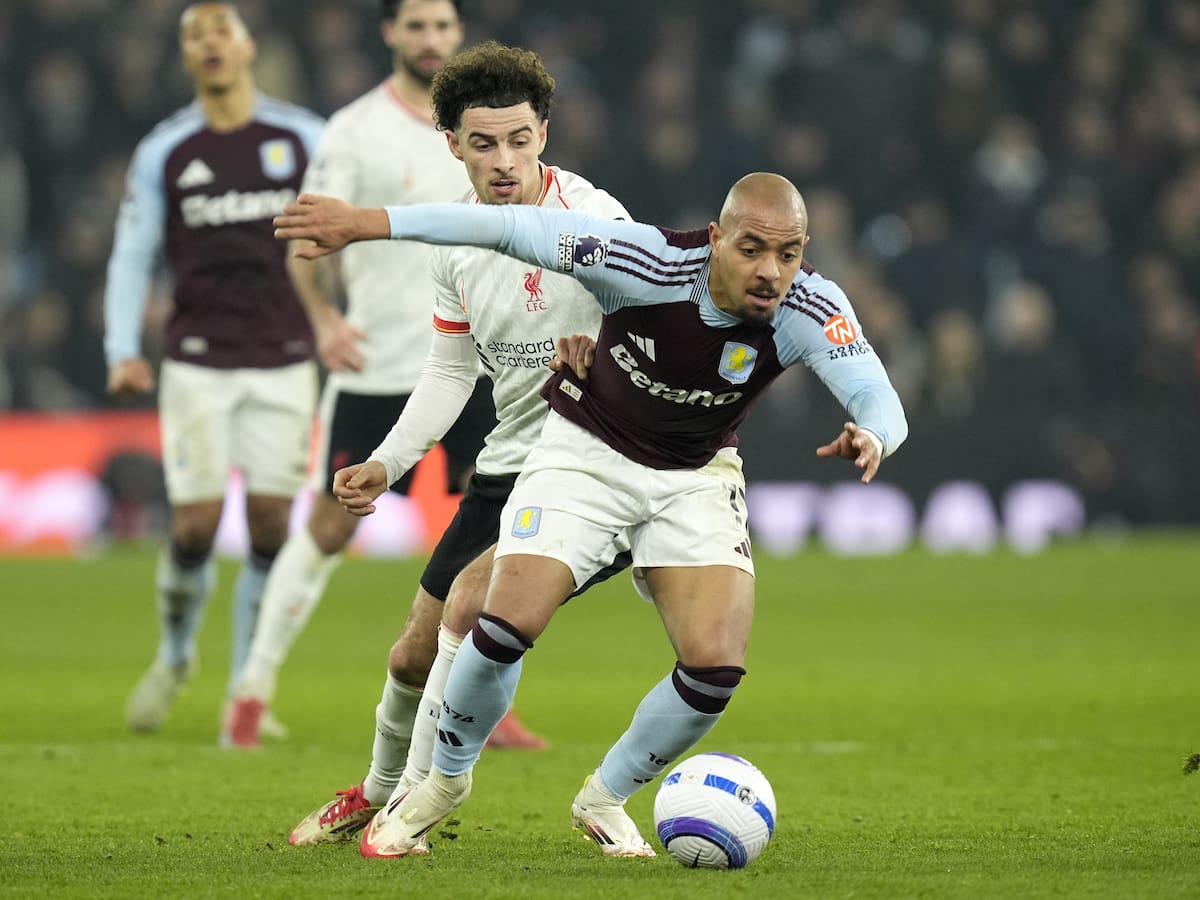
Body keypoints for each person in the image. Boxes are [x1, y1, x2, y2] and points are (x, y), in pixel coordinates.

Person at [273, 171, 910, 858]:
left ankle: (603, 796)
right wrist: (366, 222)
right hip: (588, 454)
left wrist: (873, 435)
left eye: (787, 253)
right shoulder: (648, 262)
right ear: (716, 239)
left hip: (694, 475)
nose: (770, 271)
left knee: (715, 668)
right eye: (752, 248)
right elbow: (511, 229)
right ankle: (441, 787)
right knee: (504, 618)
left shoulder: (810, 304)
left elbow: (878, 394)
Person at [270, 41, 634, 846]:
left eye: (518, 140)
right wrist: (385, 463)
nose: (503, 160)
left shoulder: (597, 222)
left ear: (544, 134)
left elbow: (658, 326)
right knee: (408, 656)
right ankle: (375, 789)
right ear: (453, 146)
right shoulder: (456, 242)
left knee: (468, 611)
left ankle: (426, 800)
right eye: (483, 143)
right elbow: (449, 370)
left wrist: (606, 361)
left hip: (593, 469)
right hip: (507, 467)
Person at [221, 0, 542, 752]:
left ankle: (484, 703)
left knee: (497, 537)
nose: (431, 39)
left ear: (458, 36)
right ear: (390, 35)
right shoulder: (353, 130)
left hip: (482, 362)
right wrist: (326, 323)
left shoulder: (486, 129)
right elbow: (306, 236)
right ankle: (251, 689)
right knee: (332, 521)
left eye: (443, 27)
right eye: (417, 26)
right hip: (378, 362)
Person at [105, 2, 325, 739]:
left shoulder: (301, 137)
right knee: (195, 525)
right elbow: (133, 251)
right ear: (187, 56)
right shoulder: (166, 149)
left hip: (287, 356)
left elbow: (347, 229)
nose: (209, 44)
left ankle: (245, 691)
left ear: (247, 45)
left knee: (269, 524)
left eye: (219, 31)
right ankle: (173, 656)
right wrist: (120, 349)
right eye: (193, 36)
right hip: (196, 357)